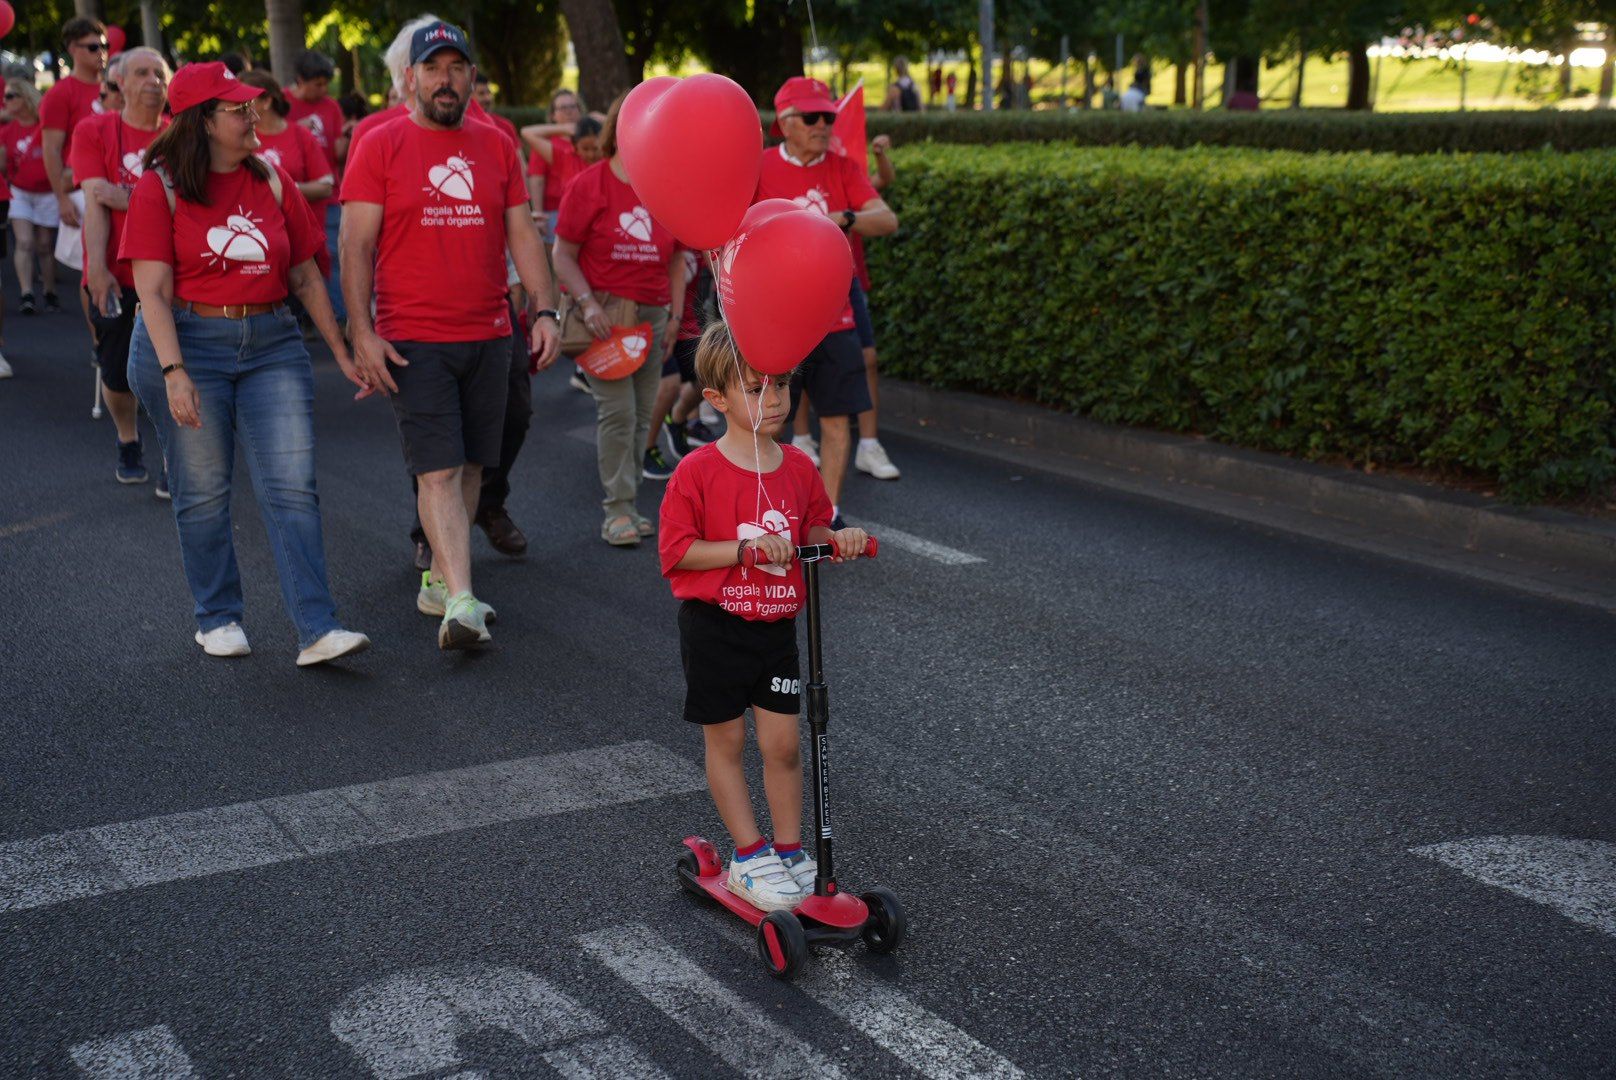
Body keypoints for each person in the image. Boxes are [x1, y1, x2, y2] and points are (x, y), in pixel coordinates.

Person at [122, 61, 370, 666]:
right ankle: (218, 616)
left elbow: (306, 273)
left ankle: (317, 628)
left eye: (249, 105)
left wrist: (341, 351)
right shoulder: (160, 187)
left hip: (272, 343)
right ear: (201, 122)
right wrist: (175, 372)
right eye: (236, 108)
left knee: (292, 489)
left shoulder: (272, 178)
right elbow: (149, 291)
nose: (252, 113)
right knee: (203, 490)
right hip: (185, 340)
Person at [341, 19, 560, 649]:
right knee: (437, 470)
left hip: (490, 331)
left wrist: (543, 311)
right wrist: (362, 330)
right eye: (433, 68)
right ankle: (462, 602)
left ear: (470, 76)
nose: (446, 79)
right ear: (409, 77)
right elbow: (355, 244)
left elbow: (523, 234)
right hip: (415, 337)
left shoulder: (495, 145)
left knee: (469, 465)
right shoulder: (379, 143)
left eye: (456, 67)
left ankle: (440, 577)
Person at [658, 320, 869, 910]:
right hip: (715, 628)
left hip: (776, 627)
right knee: (726, 740)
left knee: (783, 746)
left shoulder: (798, 467)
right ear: (717, 399)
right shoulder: (696, 472)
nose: (773, 398)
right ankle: (748, 857)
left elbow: (815, 525)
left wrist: (839, 538)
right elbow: (677, 552)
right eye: (754, 388)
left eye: (779, 384)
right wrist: (744, 551)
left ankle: (789, 850)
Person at [755, 76, 897, 528]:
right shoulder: (758, 167)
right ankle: (771, 510)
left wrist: (843, 217)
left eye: (829, 116)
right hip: (777, 322)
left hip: (836, 317)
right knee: (769, 423)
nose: (823, 125)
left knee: (837, 419)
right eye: (812, 117)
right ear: (785, 122)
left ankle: (829, 513)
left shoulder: (841, 166)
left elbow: (887, 219)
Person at [552, 93, 683, 547]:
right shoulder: (590, 185)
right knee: (619, 413)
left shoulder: (666, 184)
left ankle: (627, 502)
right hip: (605, 317)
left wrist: (675, 315)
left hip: (653, 316)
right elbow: (562, 256)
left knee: (643, 413)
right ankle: (619, 509)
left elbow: (677, 258)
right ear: (620, 129)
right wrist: (586, 303)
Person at [76, 46, 171, 489]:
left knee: (175, 366)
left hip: (171, 276)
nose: (153, 80)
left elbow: (185, 209)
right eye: (142, 72)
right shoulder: (94, 129)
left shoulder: (180, 135)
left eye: (160, 73)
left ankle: (176, 458)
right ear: (120, 82)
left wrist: (129, 198)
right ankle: (128, 439)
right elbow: (96, 200)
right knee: (116, 373)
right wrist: (97, 268)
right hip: (115, 271)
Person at [286, 50, 347, 327]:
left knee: (332, 255)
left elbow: (336, 151)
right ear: (300, 80)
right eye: (317, 84)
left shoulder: (331, 106)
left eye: (325, 84)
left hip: (328, 194)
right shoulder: (282, 102)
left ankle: (339, 316)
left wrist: (349, 137)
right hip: (293, 194)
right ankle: (305, 317)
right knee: (296, 258)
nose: (323, 90)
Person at [42, 15, 107, 250]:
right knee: (91, 273)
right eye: (93, 47)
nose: (101, 52)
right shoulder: (60, 94)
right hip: (80, 192)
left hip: (115, 186)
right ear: (72, 49)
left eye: (103, 46)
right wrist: (62, 199)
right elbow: (51, 148)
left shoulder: (114, 88)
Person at [4, 79, 58, 318]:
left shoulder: (46, 126)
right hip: (20, 193)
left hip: (48, 193)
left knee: (45, 245)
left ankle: (49, 290)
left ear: (25, 97)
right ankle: (27, 294)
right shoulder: (6, 132)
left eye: (10, 96)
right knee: (24, 242)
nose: (5, 101)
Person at [471, 73, 521, 152]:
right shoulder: (460, 127)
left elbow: (520, 162)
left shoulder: (505, 126)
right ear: (468, 97)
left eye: (489, 93)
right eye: (481, 93)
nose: (487, 98)